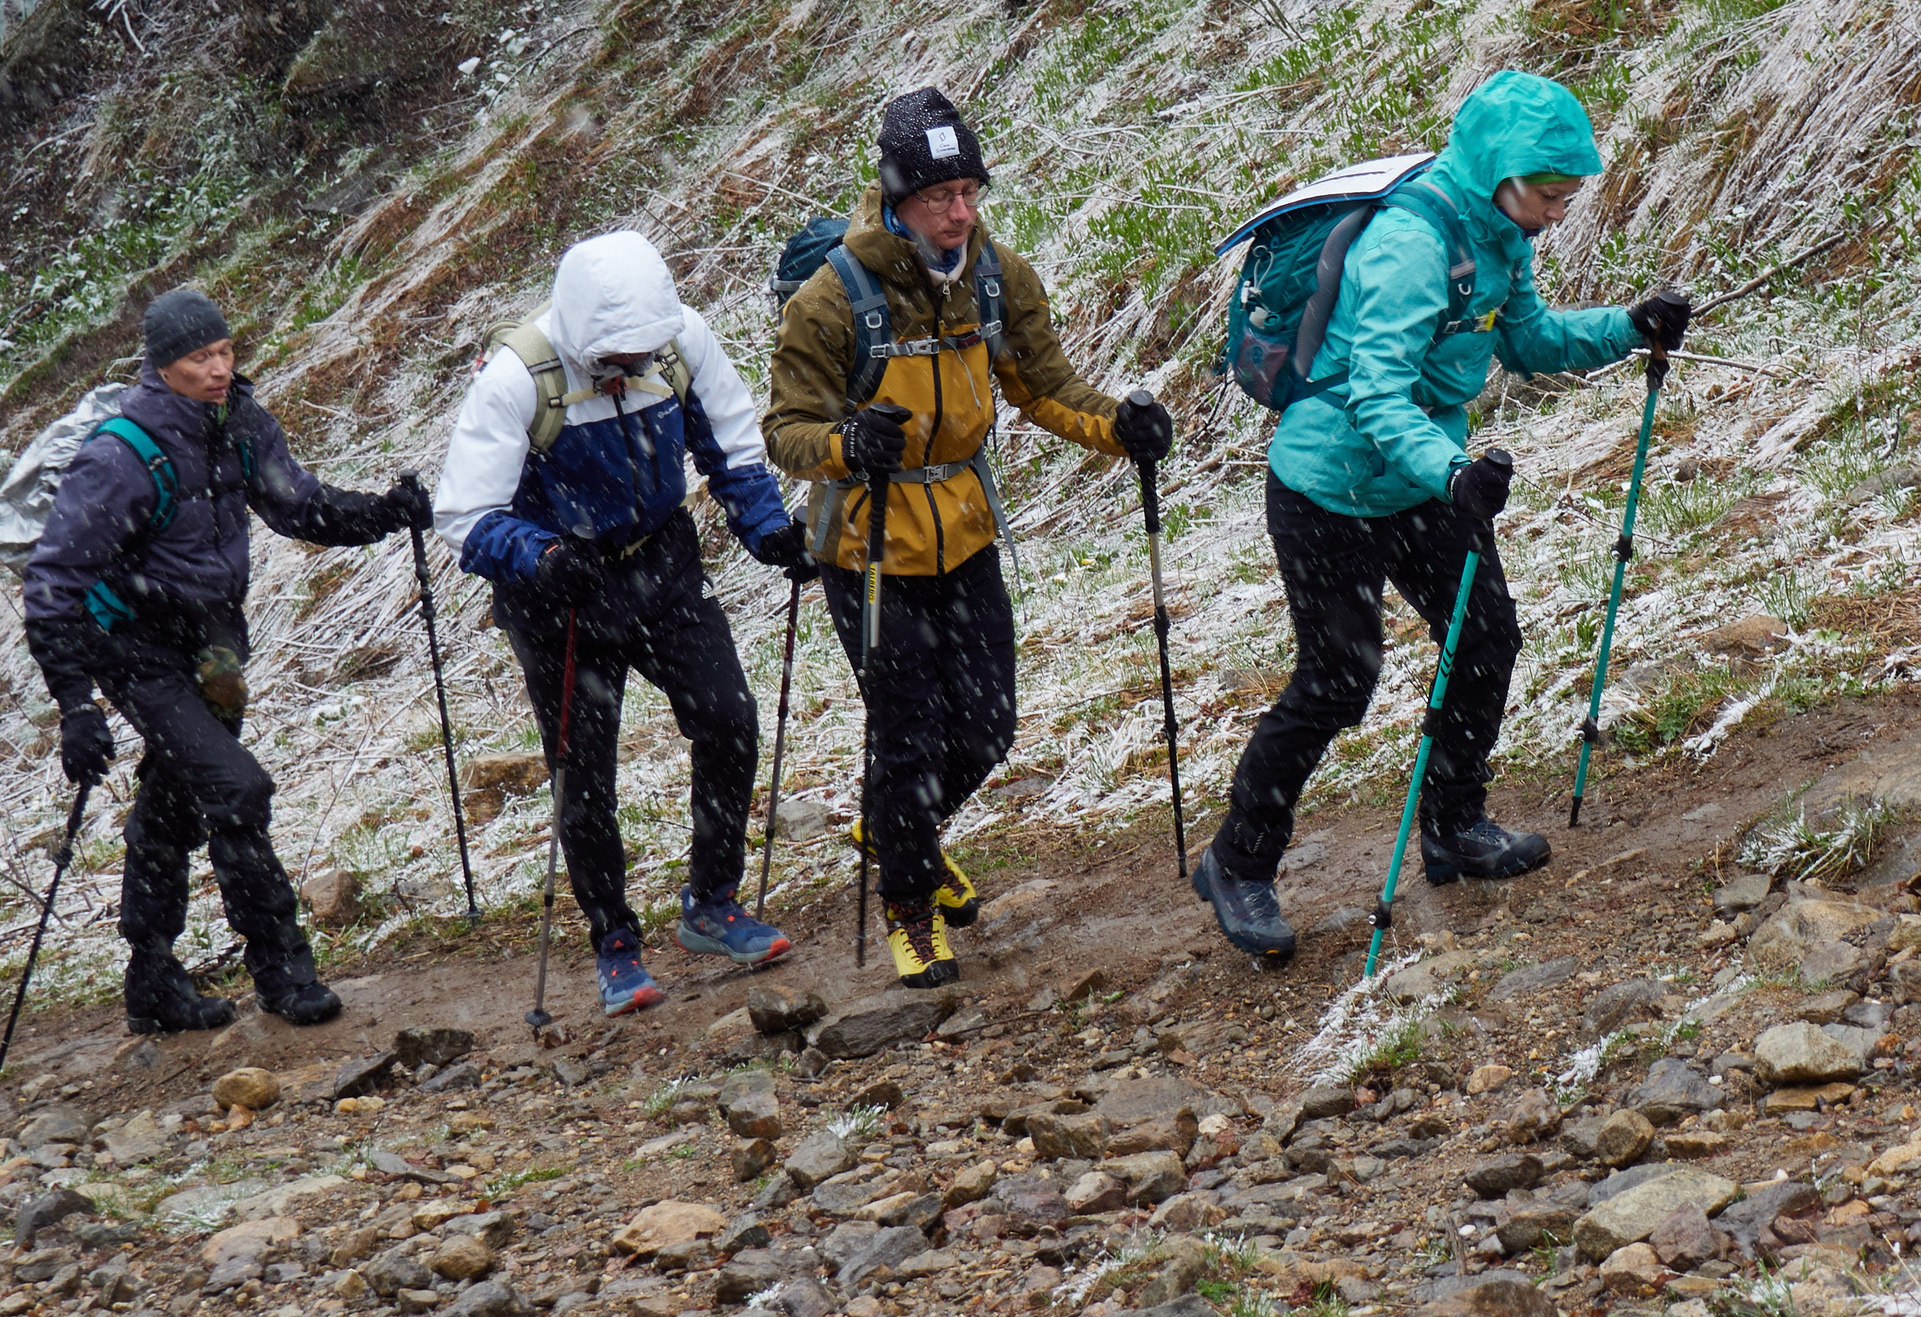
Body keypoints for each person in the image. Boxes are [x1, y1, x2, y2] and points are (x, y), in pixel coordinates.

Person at [1196, 70, 1693, 964]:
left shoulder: (1501, 233)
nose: (1557, 212)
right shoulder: (1410, 248)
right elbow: (1377, 395)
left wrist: (1629, 324)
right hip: (1329, 487)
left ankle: (1455, 823)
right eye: (1549, 194)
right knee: (1338, 681)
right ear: (1502, 172)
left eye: (1566, 196)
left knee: (1486, 636)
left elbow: (1530, 341)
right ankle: (1238, 861)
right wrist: (1454, 469)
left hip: (1426, 482)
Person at [763, 88, 1169, 989]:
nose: (960, 213)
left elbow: (1047, 387)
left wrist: (1123, 427)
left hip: (966, 534)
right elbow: (785, 430)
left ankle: (894, 827)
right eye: (941, 196)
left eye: (971, 192)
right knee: (907, 739)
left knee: (988, 728)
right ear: (897, 197)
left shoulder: (996, 276)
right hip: (868, 552)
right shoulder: (834, 297)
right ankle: (910, 912)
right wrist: (844, 445)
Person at [20, 289, 433, 1032]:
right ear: (161, 366)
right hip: (131, 646)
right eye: (199, 358)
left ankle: (151, 976)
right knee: (235, 785)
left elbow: (298, 506)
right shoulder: (119, 455)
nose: (218, 369)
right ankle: (282, 970)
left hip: (213, 643)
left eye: (224, 352)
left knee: (178, 794)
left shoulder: (238, 422)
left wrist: (384, 512)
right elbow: (51, 585)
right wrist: (76, 708)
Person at [435, 231, 815, 1016]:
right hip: (558, 596)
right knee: (585, 771)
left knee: (728, 717)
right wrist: (537, 556)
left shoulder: (681, 341)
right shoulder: (517, 377)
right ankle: (615, 943)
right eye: (618, 361)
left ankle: (714, 903)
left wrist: (769, 530)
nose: (634, 371)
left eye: (643, 357)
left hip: (661, 564)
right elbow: (464, 514)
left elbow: (732, 448)